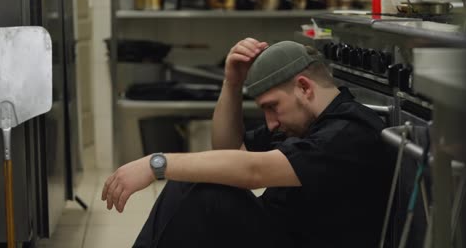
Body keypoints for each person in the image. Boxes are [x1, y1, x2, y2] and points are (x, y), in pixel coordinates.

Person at [102, 38, 393, 248]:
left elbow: (254, 172)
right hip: (281, 233)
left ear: (304, 87)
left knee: (200, 193)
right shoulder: (301, 123)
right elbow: (228, 152)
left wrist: (157, 164)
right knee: (194, 182)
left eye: (272, 107)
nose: (270, 123)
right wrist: (232, 83)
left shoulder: (348, 133)